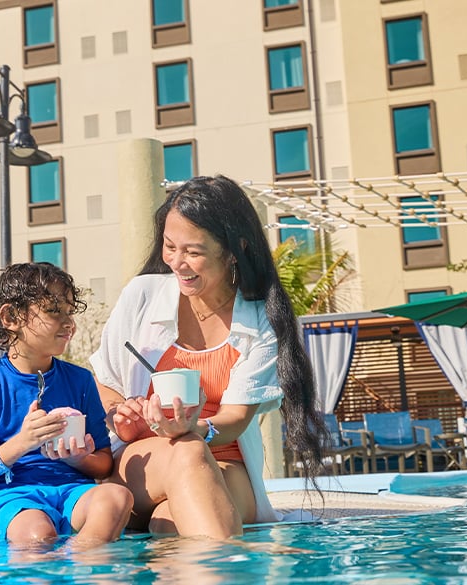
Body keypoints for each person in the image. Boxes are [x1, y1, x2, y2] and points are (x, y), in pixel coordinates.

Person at [89, 175, 326, 539]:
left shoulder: (265, 318)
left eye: (193, 252)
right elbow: (104, 381)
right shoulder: (141, 295)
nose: (177, 262)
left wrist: (198, 429)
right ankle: (233, 565)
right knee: (187, 451)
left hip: (226, 461)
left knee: (168, 521)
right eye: (170, 246)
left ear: (234, 250)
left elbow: (235, 417)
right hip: (142, 461)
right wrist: (121, 411)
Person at [0, 262, 134, 549]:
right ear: (10, 317)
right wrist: (22, 442)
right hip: (14, 498)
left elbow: (103, 465)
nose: (69, 323)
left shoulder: (81, 380)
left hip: (74, 493)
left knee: (117, 497)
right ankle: (80, 560)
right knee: (38, 534)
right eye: (54, 310)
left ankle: (82, 559)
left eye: (69, 312)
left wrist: (76, 459)